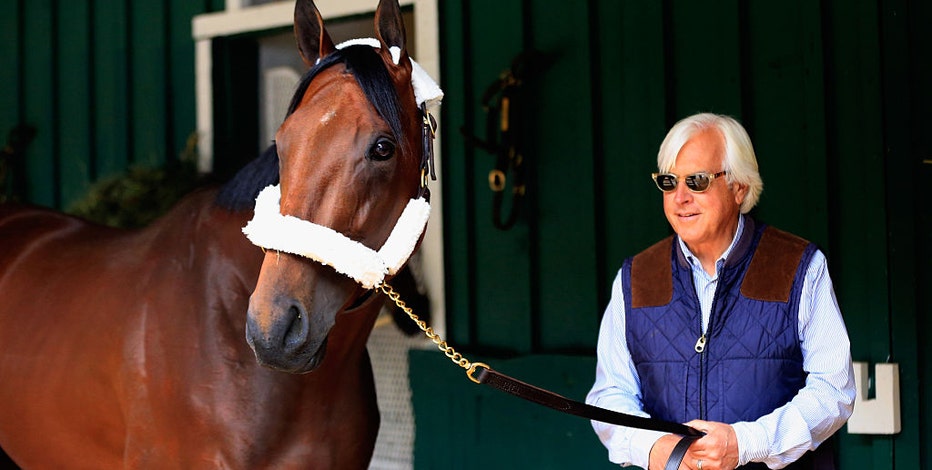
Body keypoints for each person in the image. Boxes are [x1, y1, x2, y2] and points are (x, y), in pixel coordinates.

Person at [586, 113, 855, 470]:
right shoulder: (637, 277)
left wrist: (746, 444)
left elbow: (833, 390)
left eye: (696, 181)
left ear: (739, 187)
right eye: (669, 182)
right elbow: (610, 394)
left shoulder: (797, 266)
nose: (680, 197)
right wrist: (653, 447)